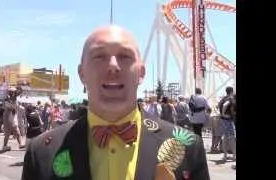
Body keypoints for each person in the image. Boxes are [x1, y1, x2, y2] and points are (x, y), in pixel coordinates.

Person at [22, 25, 209, 180]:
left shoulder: (188, 146)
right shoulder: (41, 152)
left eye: (125, 56)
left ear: (141, 73)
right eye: (99, 56)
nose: (113, 65)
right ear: (82, 73)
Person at [218, 86, 236, 161]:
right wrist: (223, 113)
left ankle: (225, 155)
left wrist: (222, 115)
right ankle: (234, 156)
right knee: (231, 138)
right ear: (231, 91)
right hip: (227, 120)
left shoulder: (223, 98)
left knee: (224, 137)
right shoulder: (230, 98)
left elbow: (219, 105)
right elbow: (225, 105)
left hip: (222, 120)